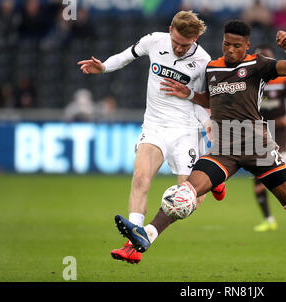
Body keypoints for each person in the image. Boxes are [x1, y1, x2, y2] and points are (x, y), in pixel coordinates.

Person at [114, 20, 286, 279]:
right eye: (226, 44)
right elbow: (210, 98)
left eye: (237, 46)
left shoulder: (258, 64)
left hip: (257, 146)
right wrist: (189, 94)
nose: (230, 50)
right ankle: (146, 235)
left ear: (246, 46)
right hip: (224, 147)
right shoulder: (212, 68)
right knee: (184, 194)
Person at [77, 11, 226, 264]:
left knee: (189, 201)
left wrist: (208, 122)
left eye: (185, 45)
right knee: (140, 177)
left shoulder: (203, 60)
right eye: (176, 42)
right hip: (155, 126)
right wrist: (103, 67)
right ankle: (134, 240)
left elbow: (203, 101)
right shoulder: (154, 40)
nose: (179, 48)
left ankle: (213, 180)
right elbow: (125, 57)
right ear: (170, 29)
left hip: (186, 130)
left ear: (196, 37)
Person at [251, 44, 286, 232]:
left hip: (281, 131)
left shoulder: (284, 81)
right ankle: (268, 219)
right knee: (258, 178)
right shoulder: (251, 83)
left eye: (265, 58)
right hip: (260, 131)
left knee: (274, 168)